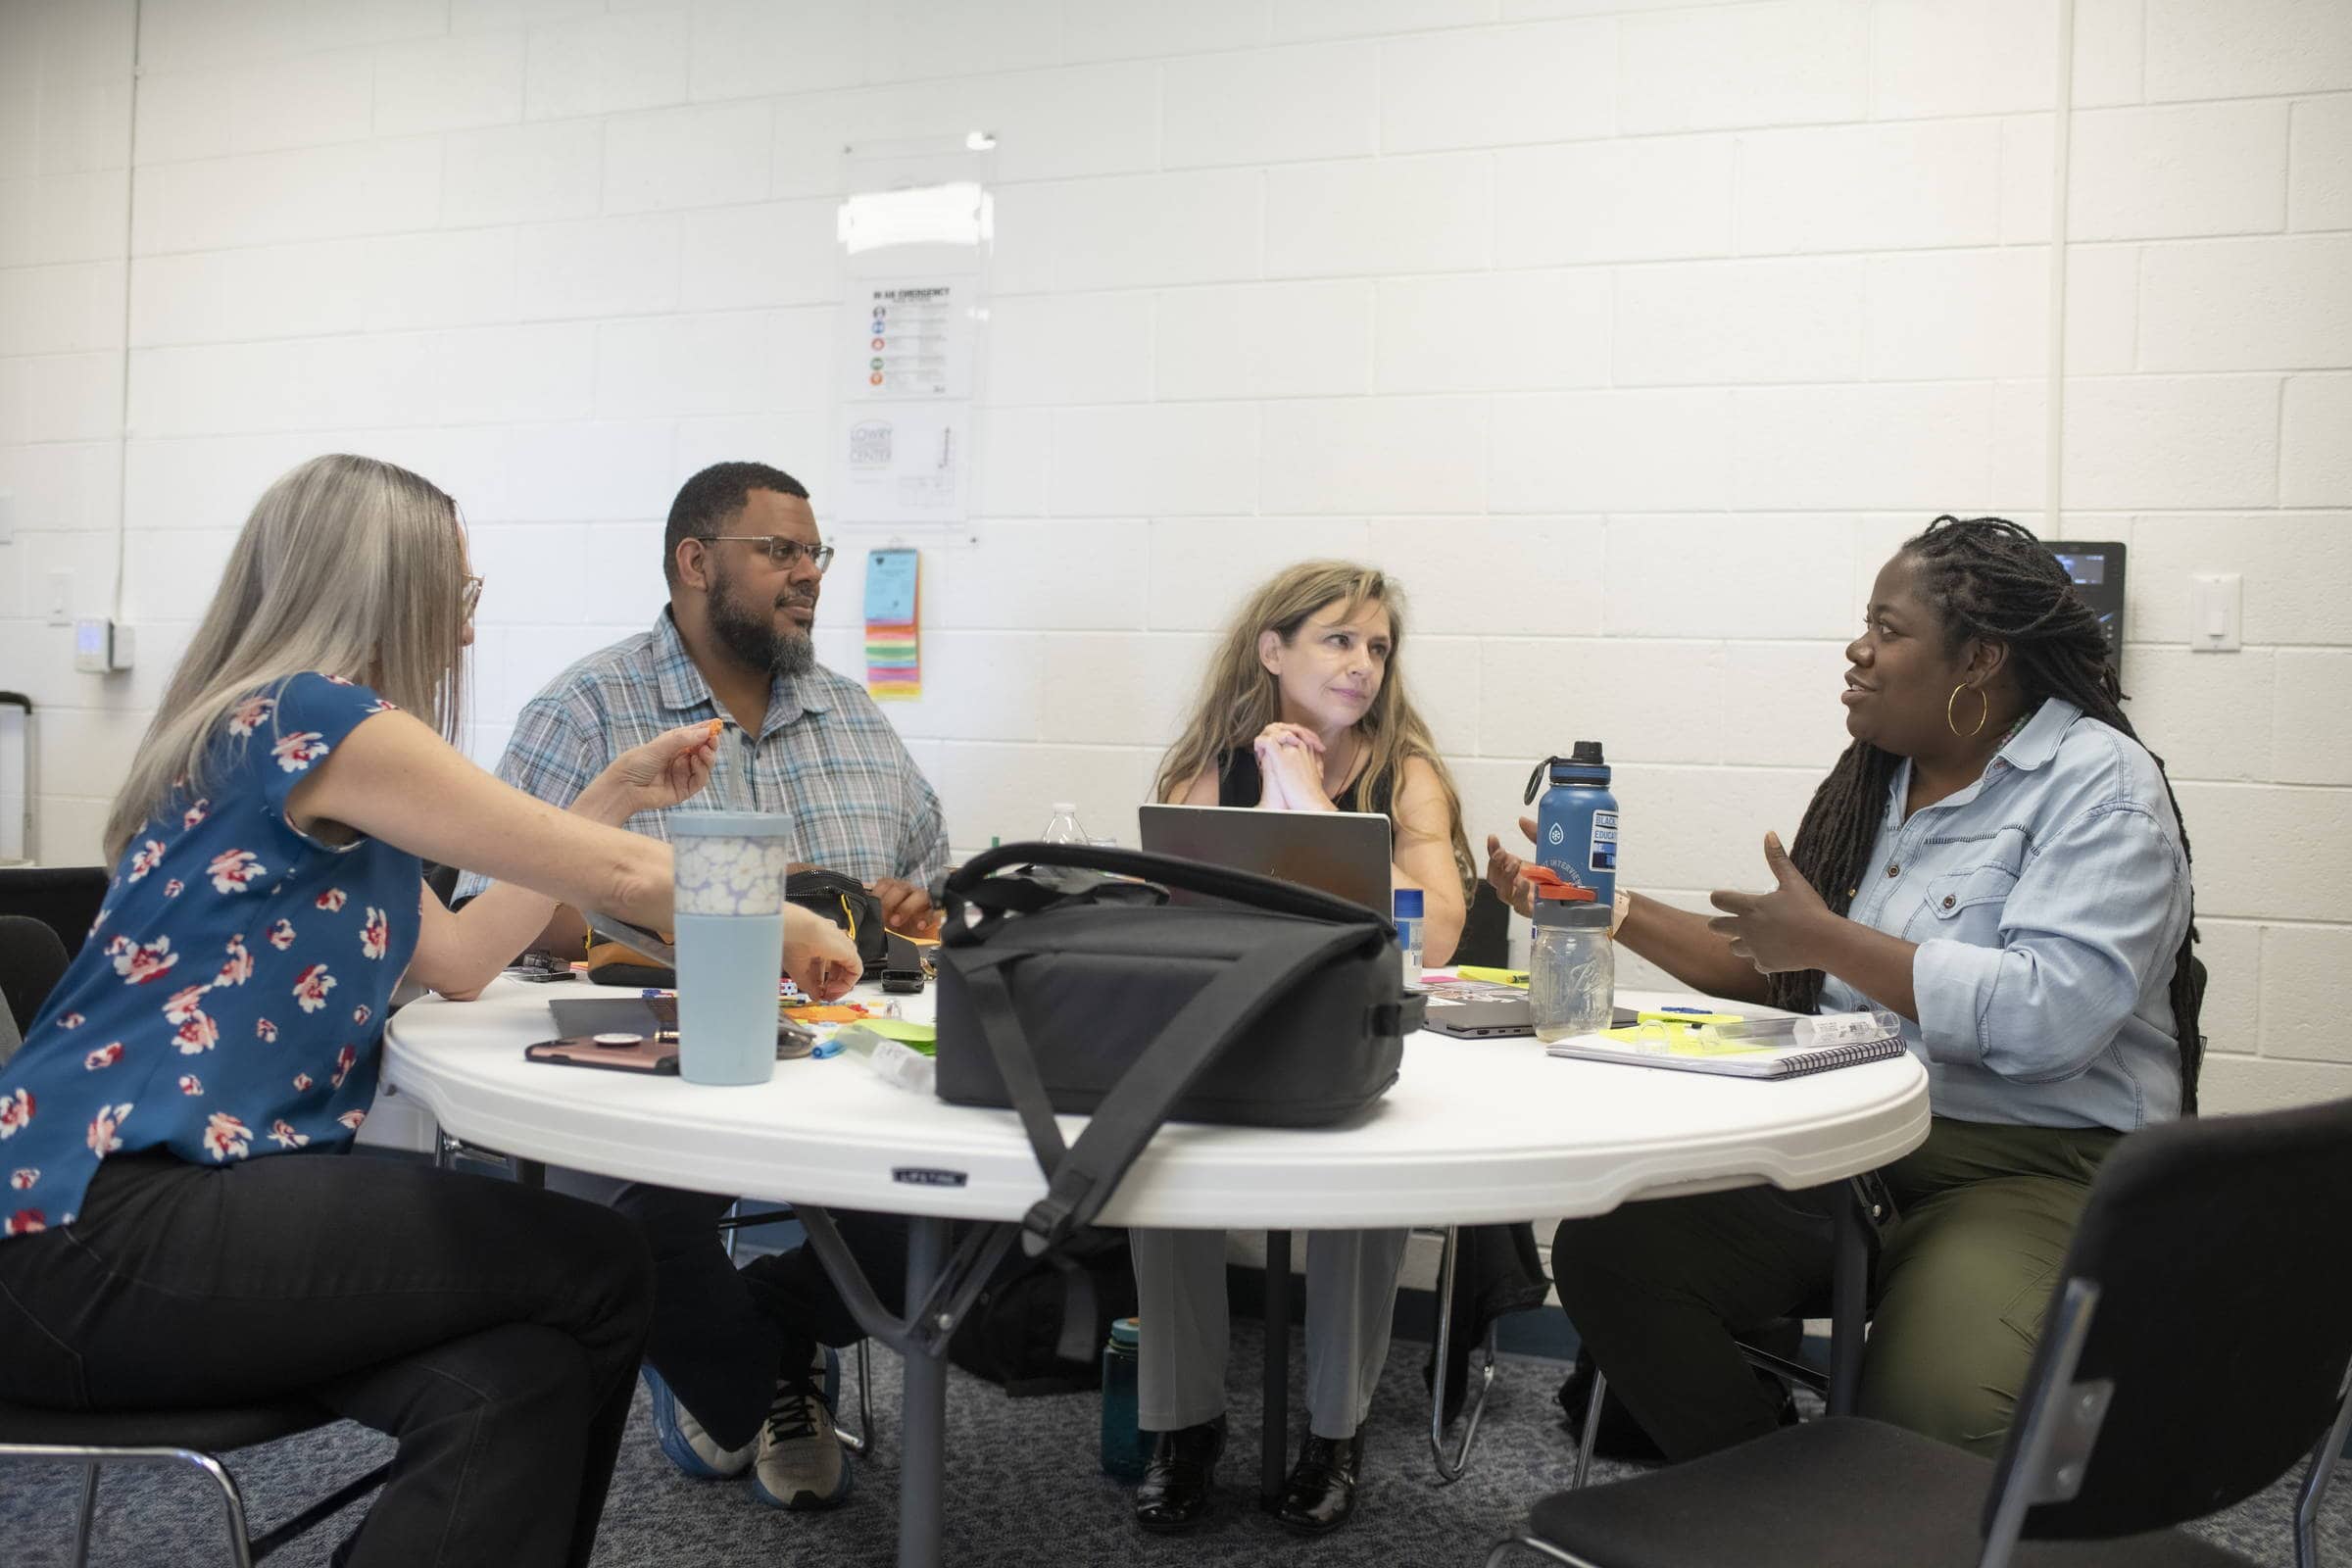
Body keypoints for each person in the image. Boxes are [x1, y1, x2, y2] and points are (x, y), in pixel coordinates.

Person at [0, 454, 861, 1568]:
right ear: (381, 590)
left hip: (176, 1221)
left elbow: (458, 956)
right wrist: (778, 919)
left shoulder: (303, 759)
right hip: (84, 1230)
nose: (461, 633)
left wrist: (616, 795)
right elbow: (626, 883)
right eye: (454, 599)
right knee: (601, 1266)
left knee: (521, 1377)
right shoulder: (316, 718)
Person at [1489, 515, 2200, 1462]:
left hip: (2029, 1163)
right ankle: (1766, 1498)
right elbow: (1785, 967)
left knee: (1935, 1410)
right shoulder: (1881, 781)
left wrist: (1834, 940)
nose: (1858, 650)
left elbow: (2051, 1018)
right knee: (1616, 1255)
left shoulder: (2101, 788)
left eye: (1889, 629)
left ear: (1982, 658)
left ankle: (1867, 1510)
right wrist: (1597, 904)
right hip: (1859, 1139)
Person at [457, 459, 943, 1511]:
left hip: (835, 1071)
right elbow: (487, 905)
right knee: (617, 1231)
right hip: (646, 1067)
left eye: (817, 553)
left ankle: (753, 1343)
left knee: (959, 1214)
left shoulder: (858, 720)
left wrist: (908, 907)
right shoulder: (587, 711)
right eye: (781, 549)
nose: (809, 572)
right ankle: (756, 1376)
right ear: (694, 562)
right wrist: (587, 906)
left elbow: (933, 886)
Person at [1131, 562, 1475, 1536]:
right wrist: (1269, 783)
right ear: (1273, 650)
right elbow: (1174, 918)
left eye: (1377, 646)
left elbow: (1433, 935)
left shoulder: (1403, 771)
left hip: (1355, 1036)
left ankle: (1336, 1430)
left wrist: (1306, 797)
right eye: (1337, 639)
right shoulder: (1210, 764)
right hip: (1234, 1027)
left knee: (1364, 1177)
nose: (1363, 663)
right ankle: (1182, 1424)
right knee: (1155, 1157)